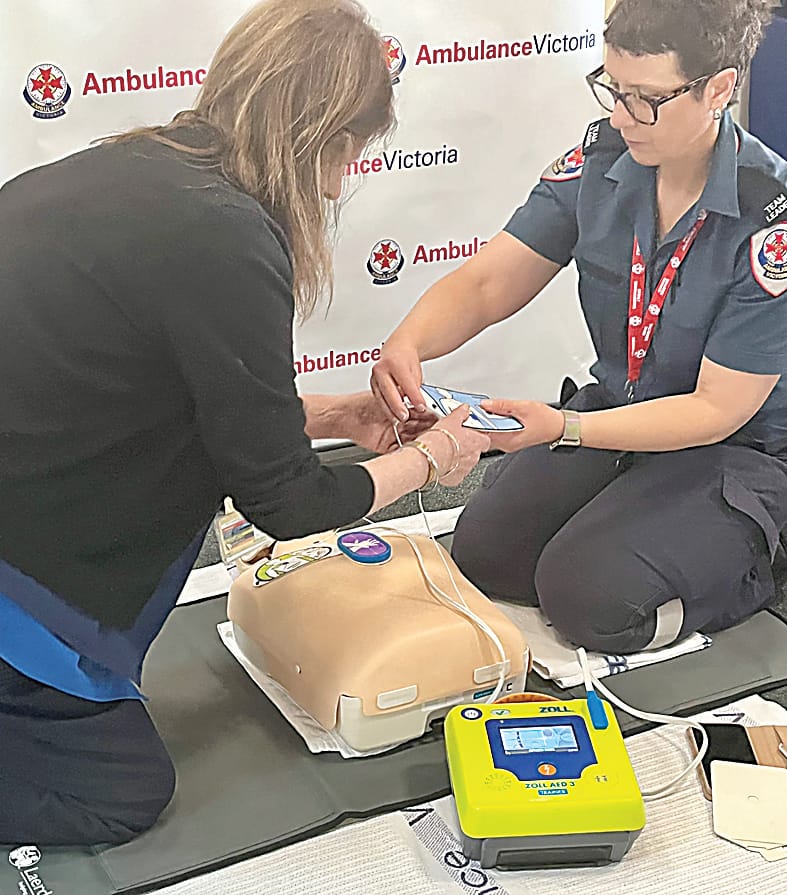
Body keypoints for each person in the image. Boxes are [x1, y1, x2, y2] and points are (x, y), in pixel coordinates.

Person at [0, 0, 490, 846]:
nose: (342, 183)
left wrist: (334, 412)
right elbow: (285, 501)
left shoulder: (130, 169)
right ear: (319, 137)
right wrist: (437, 455)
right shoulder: (225, 237)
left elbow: (147, 395)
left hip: (31, 498)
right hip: (27, 572)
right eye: (347, 153)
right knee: (123, 795)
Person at [373, 0, 787, 659]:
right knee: (487, 554)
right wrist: (406, 344)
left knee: (589, 598)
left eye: (646, 99)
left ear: (718, 87)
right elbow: (488, 281)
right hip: (617, 415)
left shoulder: (769, 218)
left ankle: (758, 559)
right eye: (613, 89)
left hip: (732, 447)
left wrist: (562, 428)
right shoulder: (600, 160)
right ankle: (635, 517)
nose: (621, 116)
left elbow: (715, 410)